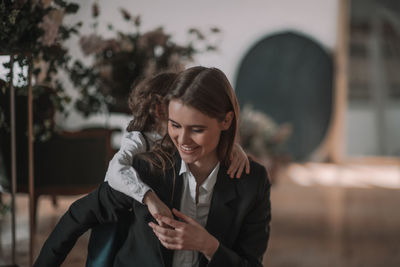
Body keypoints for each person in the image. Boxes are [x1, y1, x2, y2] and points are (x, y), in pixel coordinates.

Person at [34, 66, 271, 267]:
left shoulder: (253, 182)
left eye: (197, 129)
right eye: (175, 125)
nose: (183, 140)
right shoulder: (145, 169)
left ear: (226, 121)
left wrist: (207, 245)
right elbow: (78, 215)